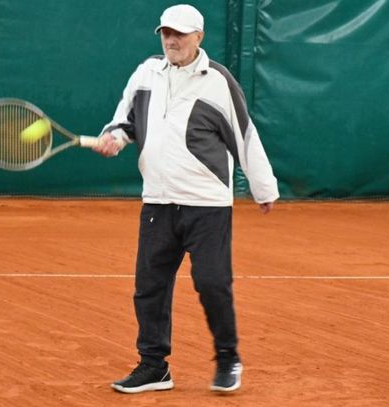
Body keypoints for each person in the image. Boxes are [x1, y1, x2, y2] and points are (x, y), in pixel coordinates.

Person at [91, 4, 279, 394]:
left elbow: (244, 135)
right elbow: (126, 120)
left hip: (206, 204)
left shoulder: (218, 81)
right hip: (158, 201)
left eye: (179, 33)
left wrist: (263, 188)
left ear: (199, 37)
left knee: (212, 283)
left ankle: (227, 358)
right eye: (166, 33)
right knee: (149, 287)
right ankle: (153, 366)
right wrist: (115, 137)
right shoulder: (147, 73)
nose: (171, 40)